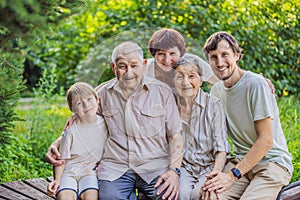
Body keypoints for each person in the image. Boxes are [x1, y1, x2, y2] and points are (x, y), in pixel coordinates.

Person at [47, 41, 184, 200]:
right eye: (122, 66)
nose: (129, 72)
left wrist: (174, 171)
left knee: (171, 196)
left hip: (154, 168)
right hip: (116, 168)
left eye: (134, 65)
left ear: (144, 64)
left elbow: (175, 136)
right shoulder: (101, 94)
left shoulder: (162, 92)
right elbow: (81, 123)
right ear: (113, 67)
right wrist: (57, 144)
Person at [200, 31, 293, 200]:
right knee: (209, 196)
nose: (220, 62)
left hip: (272, 163)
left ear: (237, 55)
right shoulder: (216, 91)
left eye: (225, 55)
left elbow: (266, 141)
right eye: (214, 57)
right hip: (241, 162)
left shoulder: (256, 84)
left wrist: (232, 175)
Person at [173, 54, 230, 200]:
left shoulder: (214, 105)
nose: (185, 82)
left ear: (200, 80)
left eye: (191, 76)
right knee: (180, 195)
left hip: (209, 167)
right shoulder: (171, 105)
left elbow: (221, 147)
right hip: (185, 168)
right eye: (180, 76)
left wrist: (215, 174)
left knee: (200, 194)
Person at [47, 82, 108, 200]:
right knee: (65, 197)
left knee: (91, 197)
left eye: (89, 99)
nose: (86, 105)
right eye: (79, 103)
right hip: (69, 173)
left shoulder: (106, 123)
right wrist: (57, 180)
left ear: (97, 100)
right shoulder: (71, 130)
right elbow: (61, 159)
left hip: (90, 172)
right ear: (72, 109)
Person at [146, 28, 219, 90]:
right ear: (153, 54)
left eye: (172, 53)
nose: (167, 60)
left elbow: (220, 82)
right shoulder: (144, 69)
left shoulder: (193, 62)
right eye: (161, 54)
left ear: (180, 53)